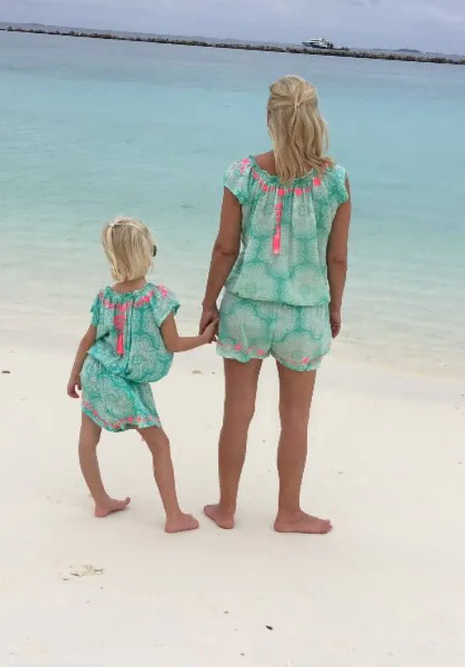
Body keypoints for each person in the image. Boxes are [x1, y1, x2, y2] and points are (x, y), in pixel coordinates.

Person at [200, 75, 351, 533]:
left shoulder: (243, 173)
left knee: (237, 413)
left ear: (271, 118)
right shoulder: (335, 181)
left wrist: (209, 301)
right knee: (295, 418)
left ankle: (226, 508)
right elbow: (337, 257)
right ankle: (288, 512)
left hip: (246, 308)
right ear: (314, 117)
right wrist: (335, 307)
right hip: (304, 314)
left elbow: (225, 248)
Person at [67, 217, 216, 533]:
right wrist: (204, 338)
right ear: (146, 254)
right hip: (124, 381)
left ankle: (101, 501)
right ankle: (174, 516)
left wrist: (74, 373)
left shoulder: (105, 297)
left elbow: (87, 339)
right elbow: (173, 343)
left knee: (88, 438)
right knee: (159, 444)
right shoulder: (157, 298)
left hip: (94, 370)